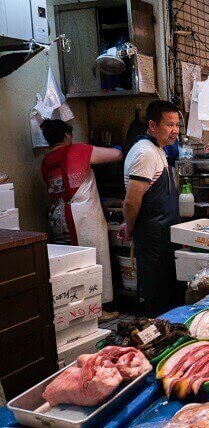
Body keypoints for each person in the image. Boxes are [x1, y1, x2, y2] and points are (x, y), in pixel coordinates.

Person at [40, 119, 123, 322]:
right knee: (92, 260)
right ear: (67, 135)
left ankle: (74, 311)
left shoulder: (46, 160)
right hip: (82, 214)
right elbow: (116, 155)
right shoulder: (77, 150)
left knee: (68, 266)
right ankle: (97, 311)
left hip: (58, 214)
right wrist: (120, 145)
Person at [120, 100, 183, 317]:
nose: (174, 130)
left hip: (164, 234)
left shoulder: (158, 150)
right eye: (169, 125)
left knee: (168, 292)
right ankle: (158, 339)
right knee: (158, 295)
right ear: (152, 125)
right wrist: (130, 227)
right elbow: (131, 201)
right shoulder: (145, 152)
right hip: (153, 238)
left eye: (176, 125)